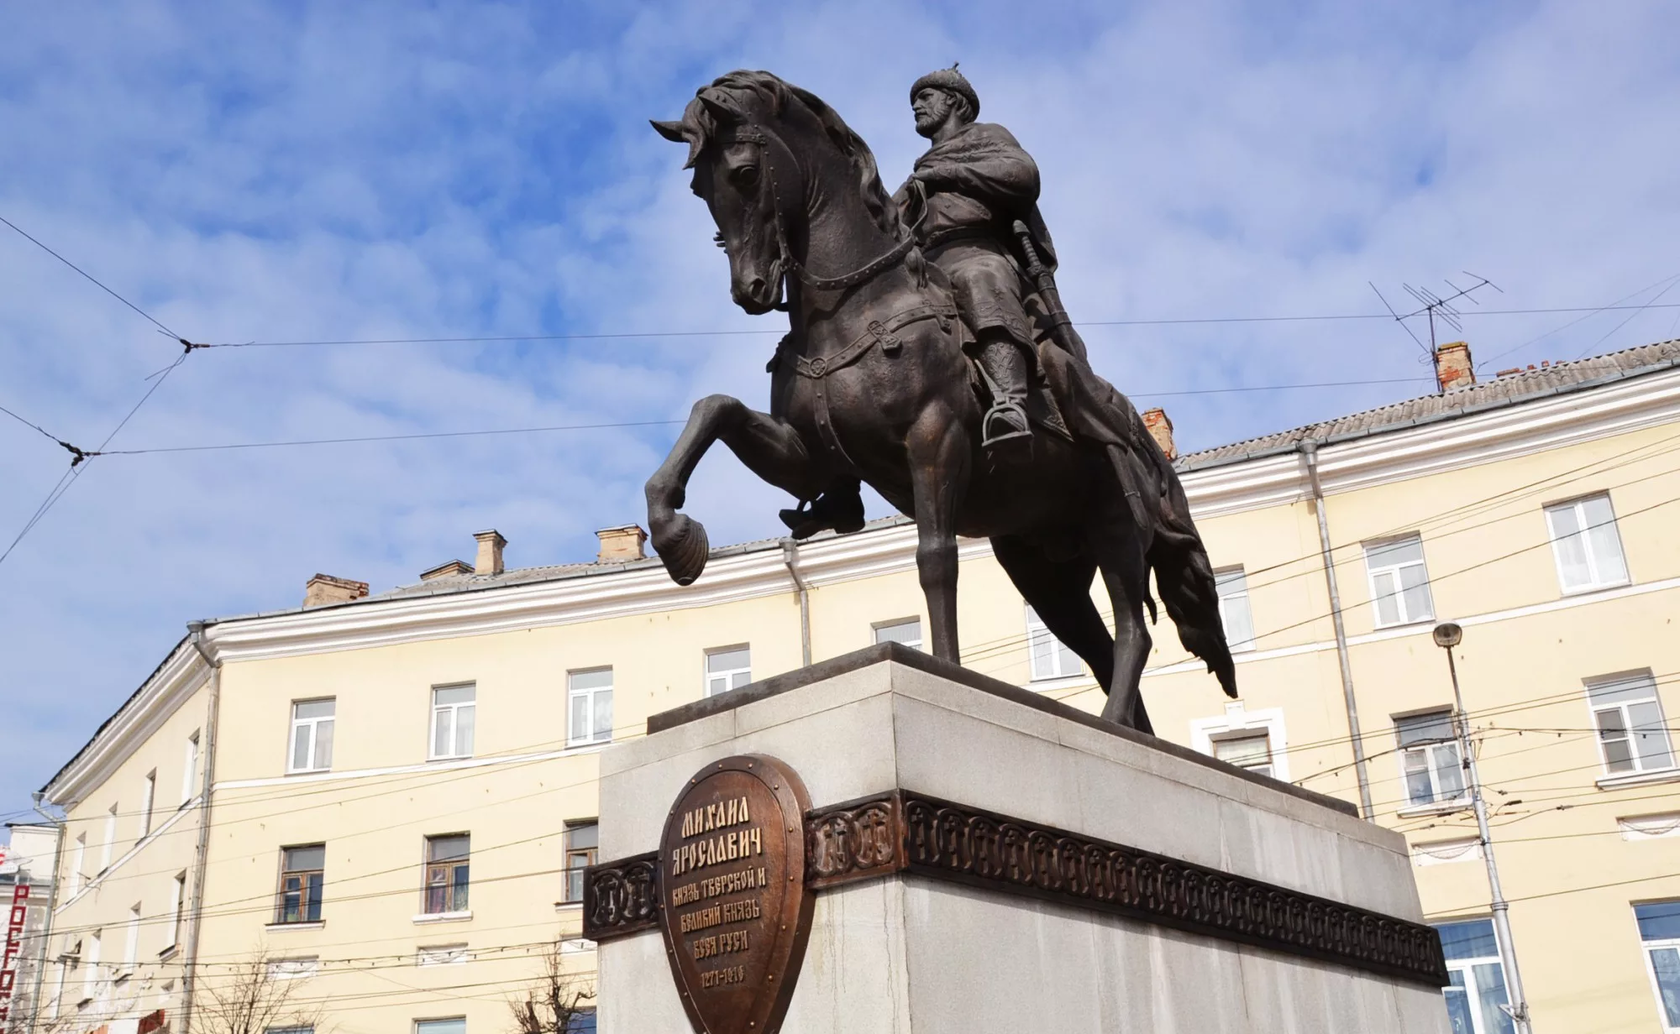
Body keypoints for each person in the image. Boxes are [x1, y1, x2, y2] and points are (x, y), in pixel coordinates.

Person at [894, 65, 1060, 448]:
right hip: (925, 268)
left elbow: (1022, 174)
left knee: (978, 277)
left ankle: (1010, 404)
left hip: (978, 249)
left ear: (953, 100)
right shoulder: (919, 173)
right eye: (915, 101)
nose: (916, 107)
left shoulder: (988, 137)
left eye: (925, 98)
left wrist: (947, 173)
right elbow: (883, 221)